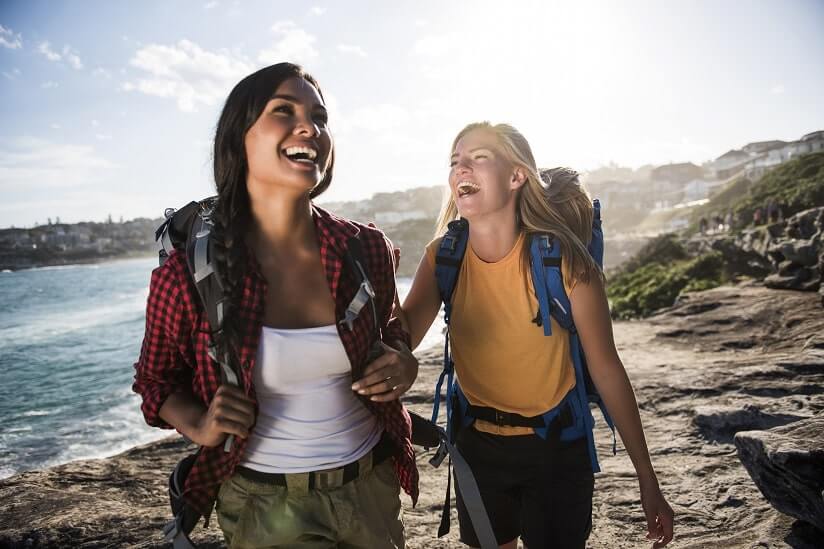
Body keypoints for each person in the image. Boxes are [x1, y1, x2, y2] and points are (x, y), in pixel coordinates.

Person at [133, 62, 419, 548]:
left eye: (320, 117)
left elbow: (391, 332)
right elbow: (155, 382)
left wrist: (403, 364)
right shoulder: (187, 275)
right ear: (238, 139)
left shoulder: (366, 248)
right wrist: (201, 424)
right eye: (283, 110)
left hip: (371, 485)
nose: (310, 127)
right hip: (265, 505)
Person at [382, 122, 675, 548]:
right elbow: (400, 343)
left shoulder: (565, 263)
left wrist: (648, 482)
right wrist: (382, 283)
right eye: (454, 161)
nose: (461, 167)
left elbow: (608, 371)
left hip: (556, 450)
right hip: (477, 448)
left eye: (478, 157)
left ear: (517, 176)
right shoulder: (443, 256)